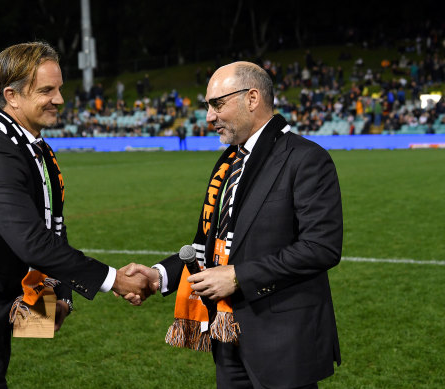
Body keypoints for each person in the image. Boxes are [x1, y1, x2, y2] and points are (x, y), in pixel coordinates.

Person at [0, 41, 150, 388]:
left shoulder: (35, 148)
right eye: (47, 90)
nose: (60, 99)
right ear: (12, 95)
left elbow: (52, 228)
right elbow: (32, 243)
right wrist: (117, 280)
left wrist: (57, 298)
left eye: (60, 88)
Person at [125, 61, 342, 388]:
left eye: (217, 104)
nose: (209, 116)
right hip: (227, 340)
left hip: (283, 344)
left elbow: (321, 248)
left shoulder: (306, 158)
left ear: (252, 98)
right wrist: (160, 275)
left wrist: (240, 276)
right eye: (208, 106)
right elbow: (212, 246)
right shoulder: (229, 162)